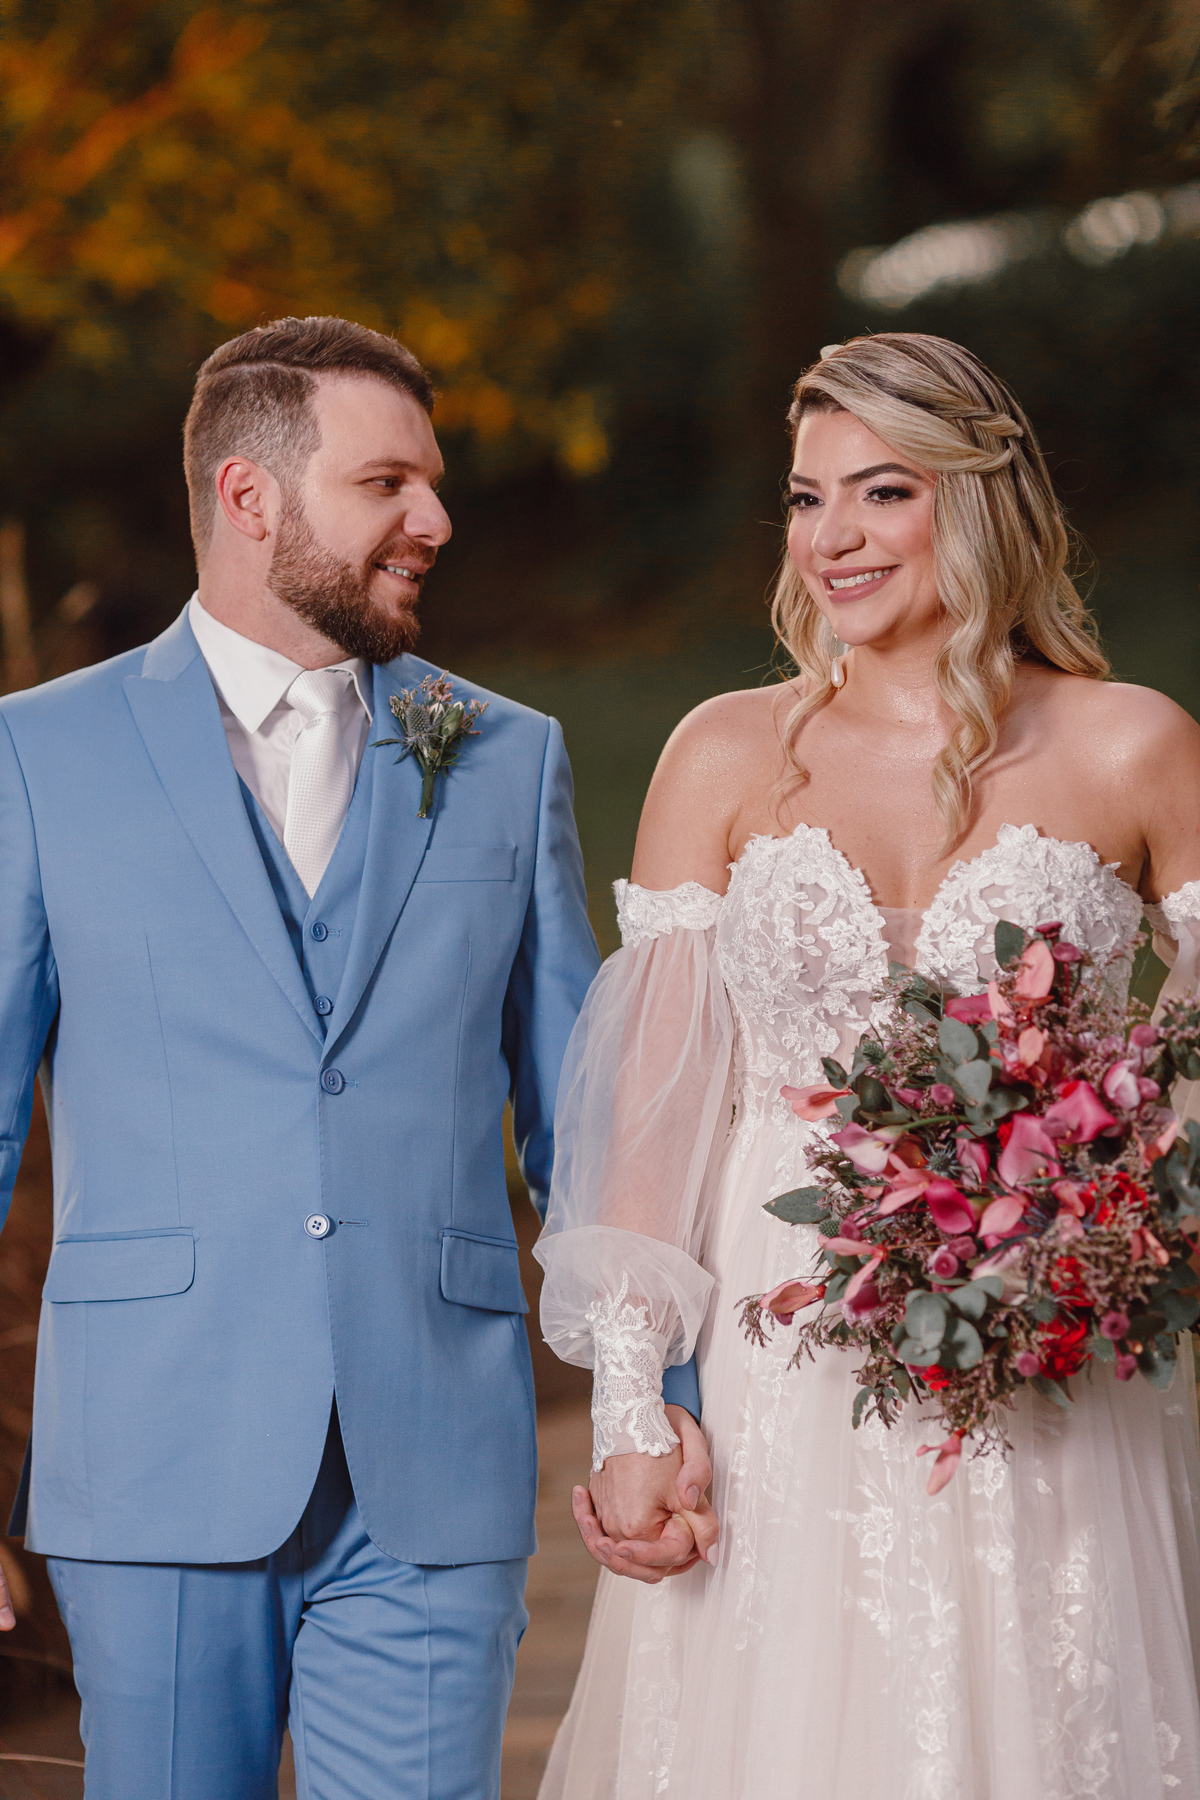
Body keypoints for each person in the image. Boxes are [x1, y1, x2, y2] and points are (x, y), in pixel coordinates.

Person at [535, 332, 1200, 1798]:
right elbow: (655, 1116)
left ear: (981, 498)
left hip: (1049, 1347)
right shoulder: (724, 755)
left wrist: (1109, 1207)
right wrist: (635, 1411)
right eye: (805, 497)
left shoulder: (1135, 747)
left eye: (882, 491)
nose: (831, 536)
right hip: (782, 1357)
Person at [0, 313, 615, 1800]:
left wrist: (657, 1410)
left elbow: (589, 1129)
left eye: (434, 483)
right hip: (151, 1458)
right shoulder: (37, 753)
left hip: (436, 1464)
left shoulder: (505, 754)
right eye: (387, 483)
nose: (435, 520)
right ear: (249, 494)